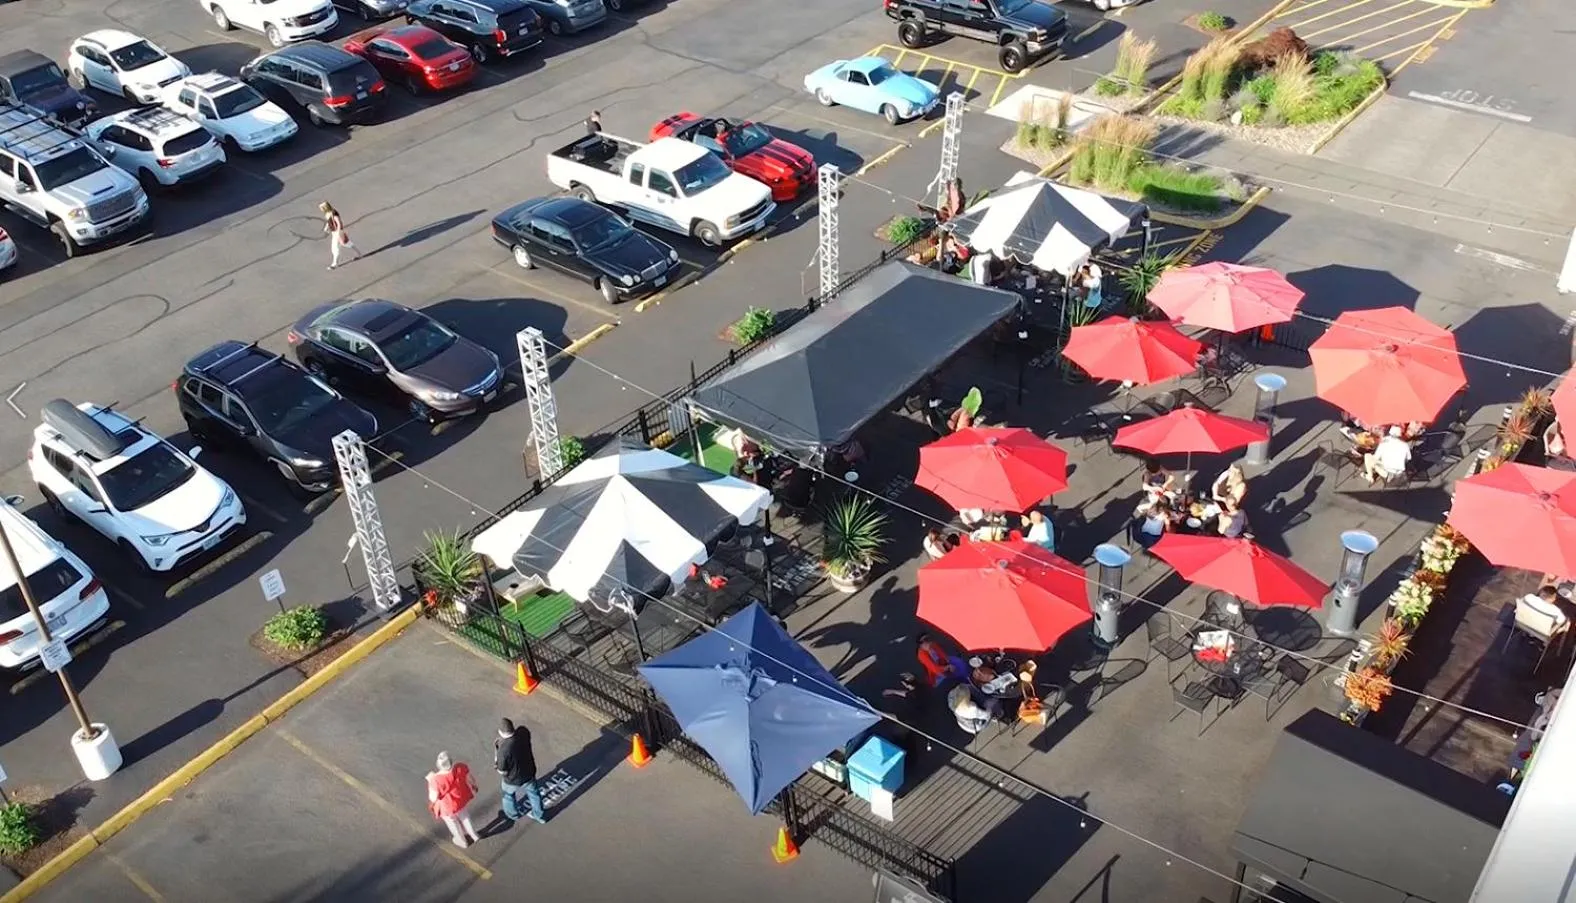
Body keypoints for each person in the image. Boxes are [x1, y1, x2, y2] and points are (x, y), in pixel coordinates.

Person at [495, 718, 546, 825]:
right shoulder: (523, 732)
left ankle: (513, 814)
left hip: (513, 779)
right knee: (534, 793)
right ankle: (539, 815)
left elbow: (502, 771)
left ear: (500, 732)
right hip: (529, 772)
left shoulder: (503, 750)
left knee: (508, 795)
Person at [427, 752, 482, 848]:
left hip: (447, 807)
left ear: (438, 765)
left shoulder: (435, 780)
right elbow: (470, 779)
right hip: (460, 801)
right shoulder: (460, 767)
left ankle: (462, 841)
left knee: (453, 823)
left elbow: (433, 798)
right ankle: (474, 835)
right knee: (465, 817)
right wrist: (474, 786)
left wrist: (430, 780)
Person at [879, 672, 925, 759]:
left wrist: (878, 712)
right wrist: (893, 691)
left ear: (904, 684)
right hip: (922, 713)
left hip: (912, 720)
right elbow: (908, 694)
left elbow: (898, 717)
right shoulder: (921, 689)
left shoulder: (911, 703)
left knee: (897, 733)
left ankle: (906, 756)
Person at [320, 201, 361, 269]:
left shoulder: (334, 213)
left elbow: (339, 223)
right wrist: (326, 227)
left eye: (321, 208)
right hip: (334, 232)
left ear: (325, 208)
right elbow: (329, 221)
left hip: (337, 232)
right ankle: (359, 254)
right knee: (346, 243)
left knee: (335, 247)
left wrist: (339, 232)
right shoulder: (327, 214)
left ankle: (334, 264)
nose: (321, 209)